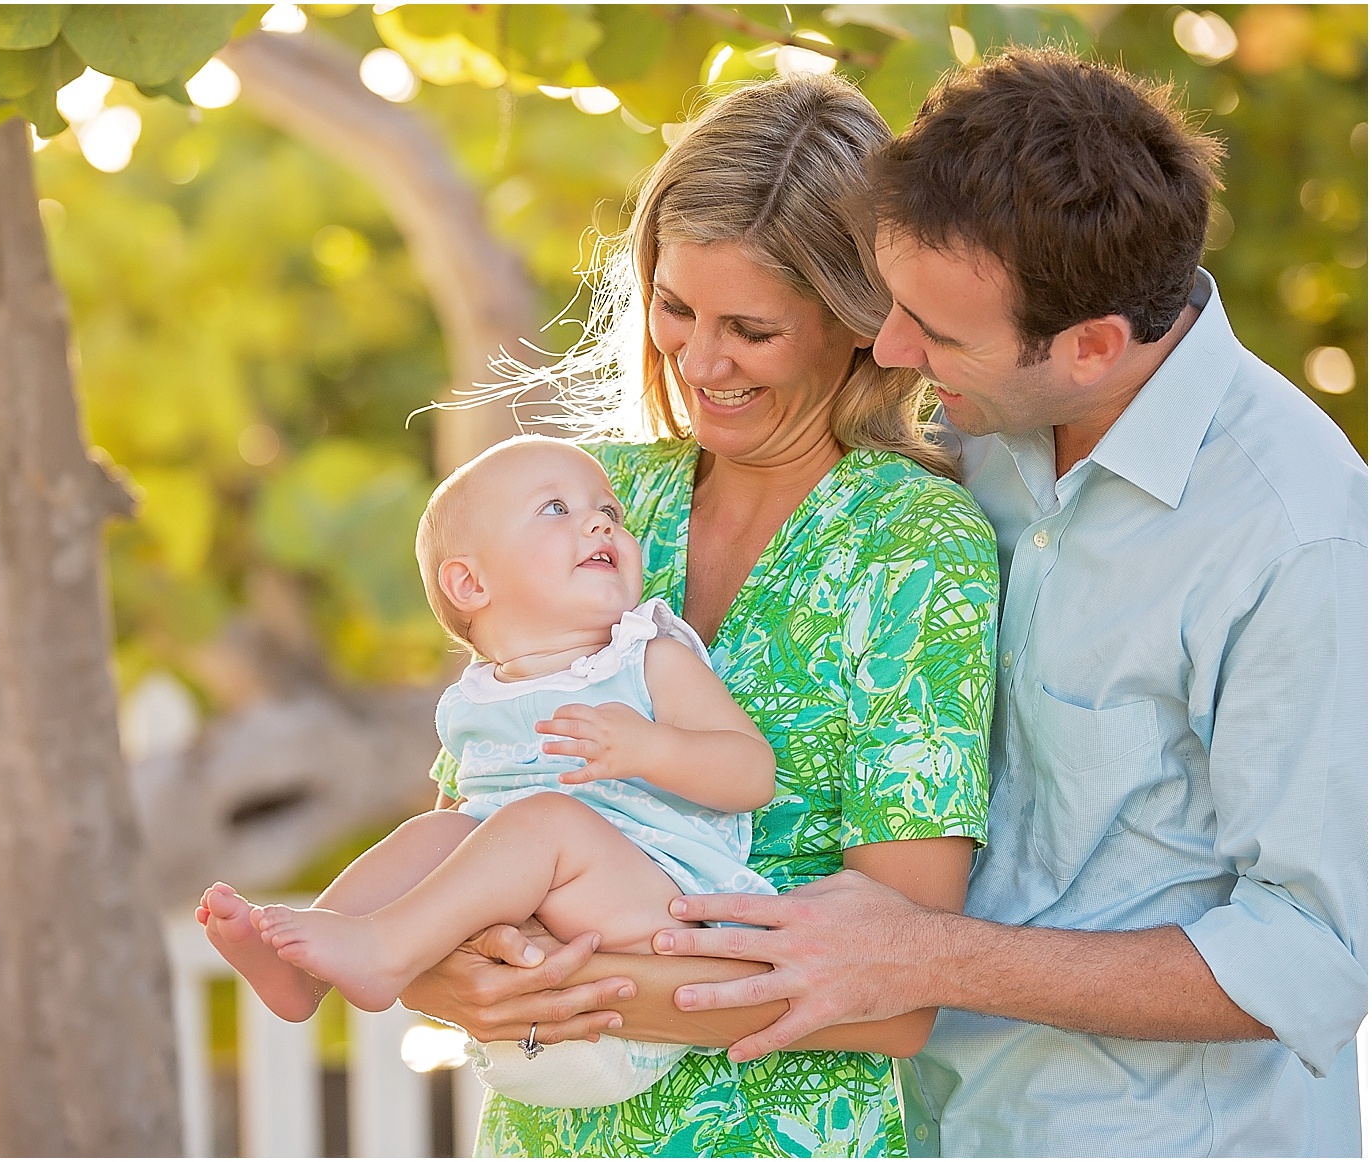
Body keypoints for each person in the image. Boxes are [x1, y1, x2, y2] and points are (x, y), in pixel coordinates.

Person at [568, 49, 1365, 1157]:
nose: (890, 349)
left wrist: (936, 955)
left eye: (932, 333)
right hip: (934, 1126)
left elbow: (1318, 955)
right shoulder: (970, 433)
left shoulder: (1295, 531)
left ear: (1092, 348)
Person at [401, 73, 1003, 1155]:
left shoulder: (915, 547)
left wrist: (489, 976)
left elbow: (898, 988)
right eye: (675, 309)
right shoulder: (594, 496)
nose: (700, 361)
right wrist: (432, 960)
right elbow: (467, 831)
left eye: (752, 329)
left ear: (859, 323)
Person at [197, 435, 781, 1109]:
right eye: (557, 508)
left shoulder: (645, 659)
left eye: (610, 513)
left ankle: (385, 950)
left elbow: (751, 773)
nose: (600, 523)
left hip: (666, 916)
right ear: (471, 584)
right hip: (542, 965)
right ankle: (303, 973)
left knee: (541, 823)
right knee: (438, 834)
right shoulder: (481, 697)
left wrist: (652, 750)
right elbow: (472, 845)